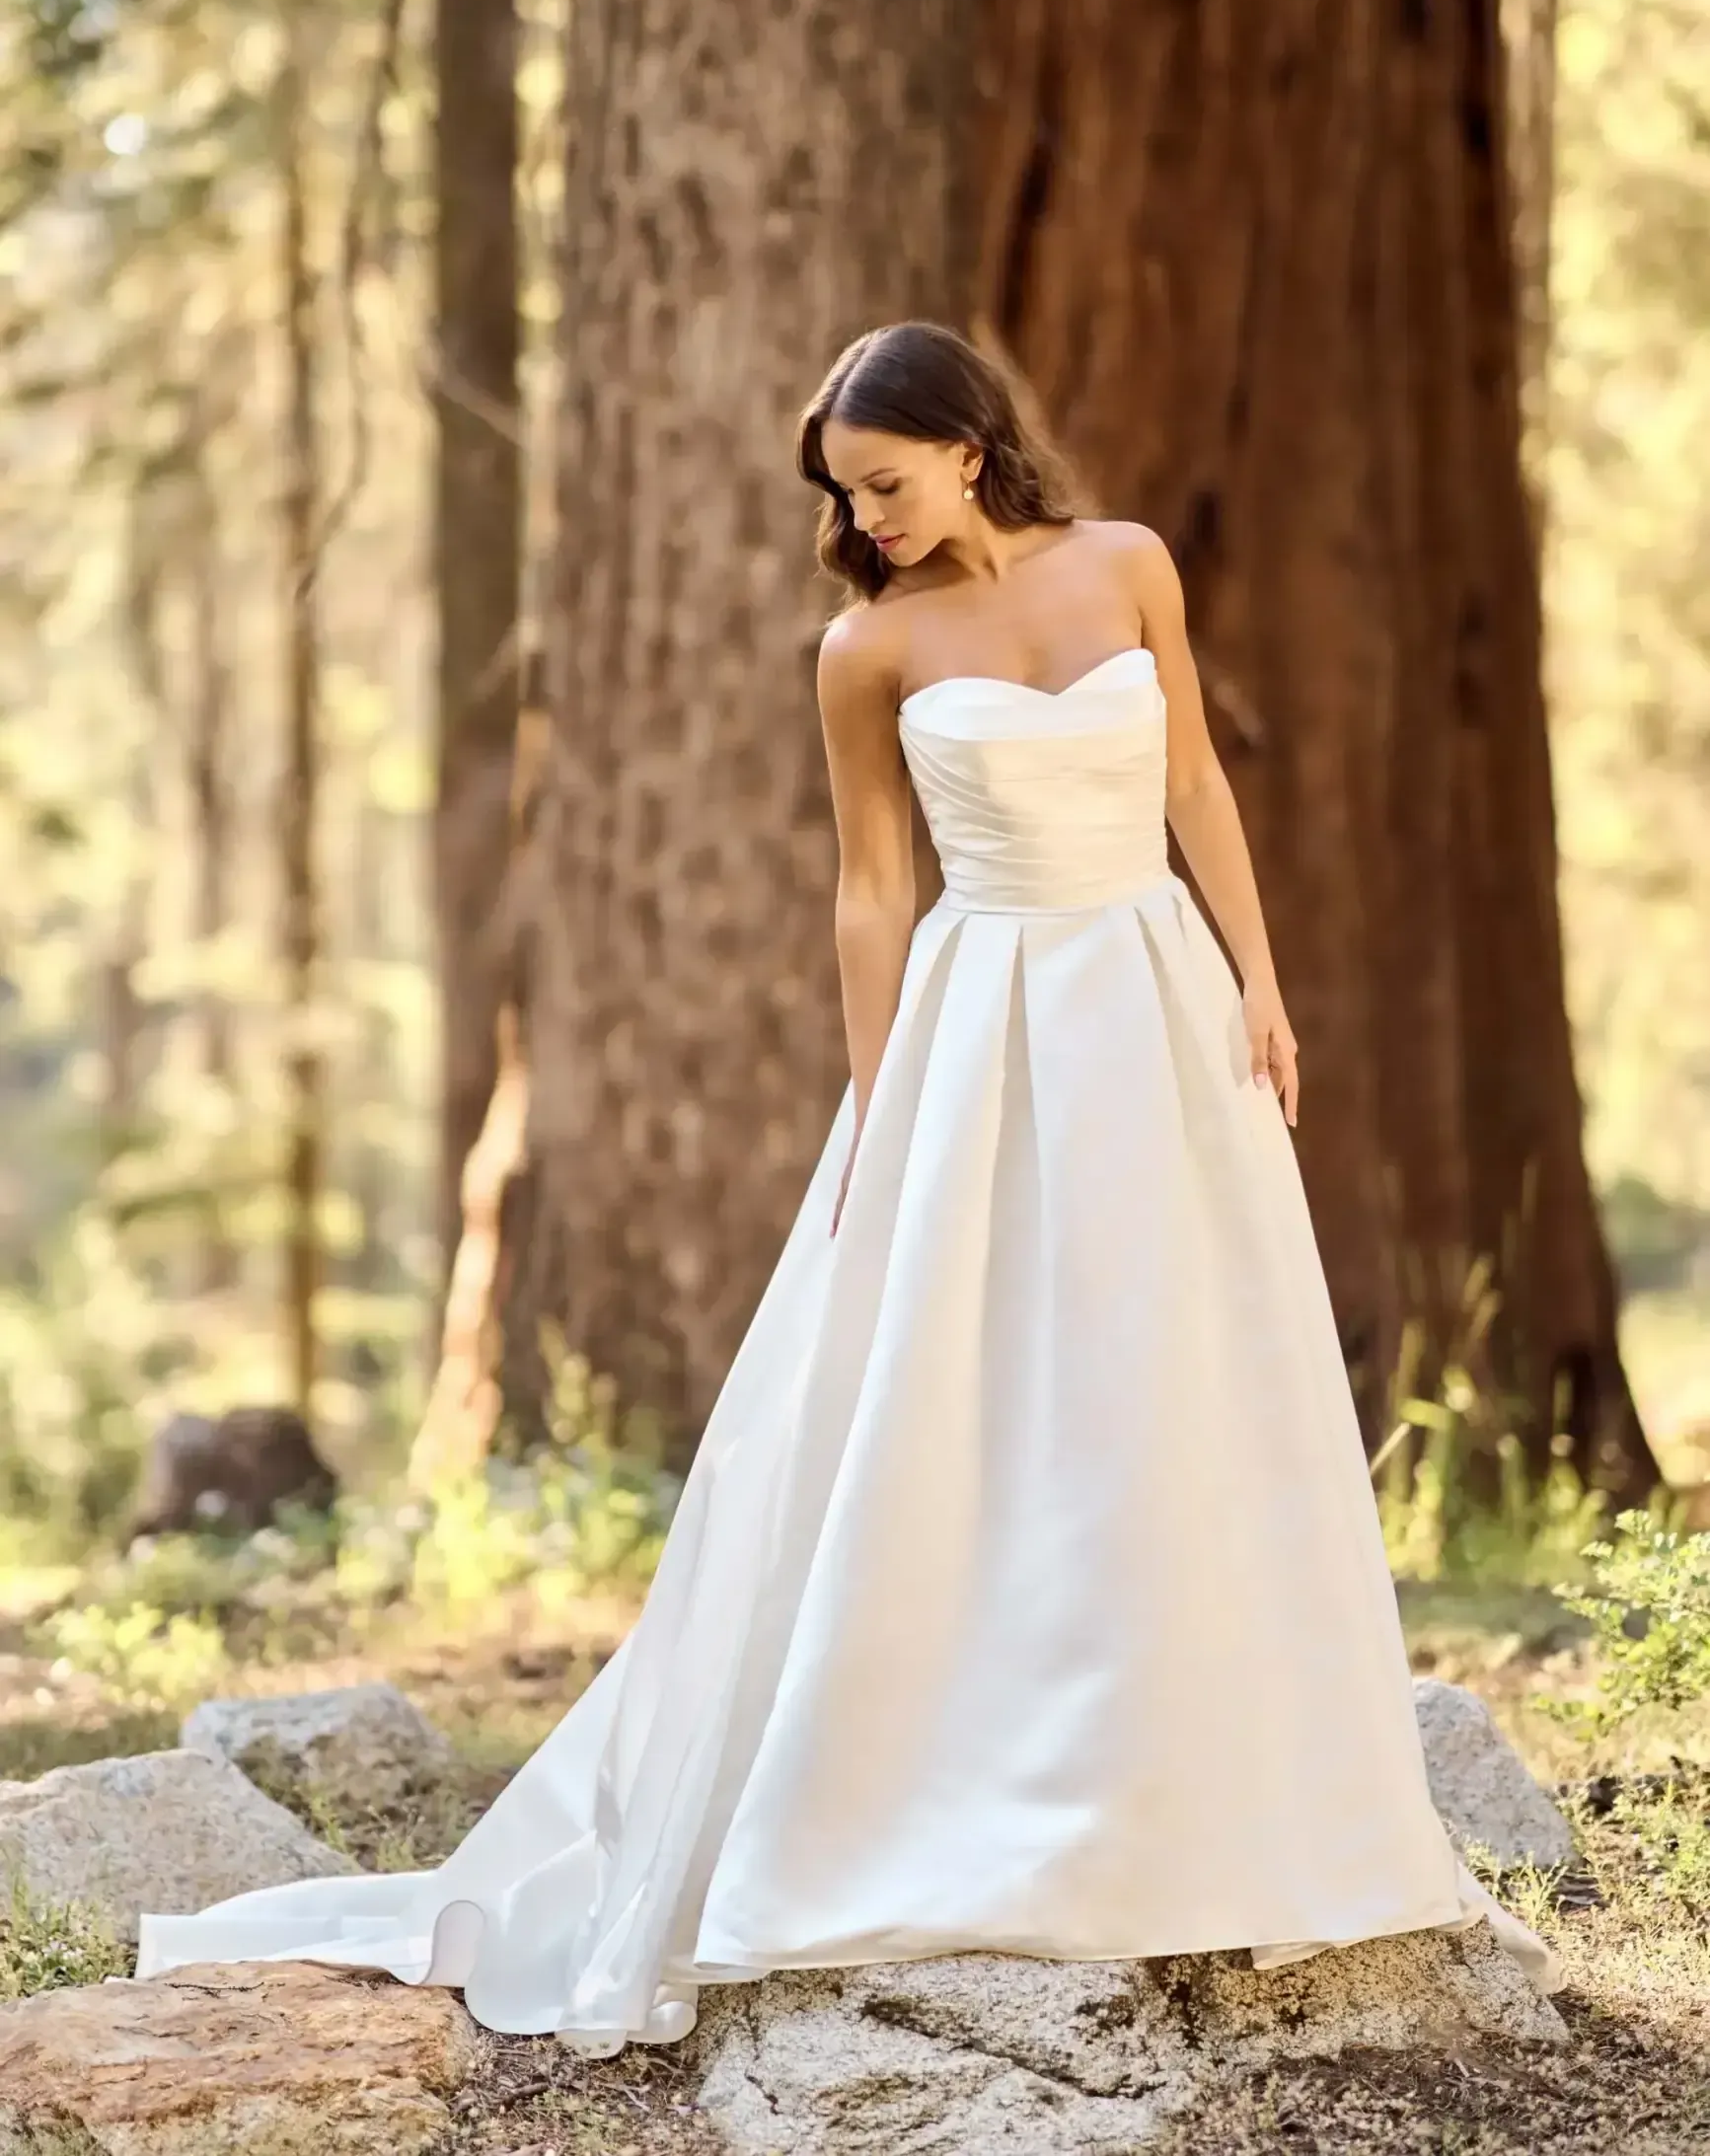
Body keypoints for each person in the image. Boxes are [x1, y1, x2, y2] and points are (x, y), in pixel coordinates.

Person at [137, 321, 1563, 2047]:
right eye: (844, 496)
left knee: (1180, 1363)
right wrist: (886, 1103)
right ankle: (961, 1773)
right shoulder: (865, 649)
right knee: (966, 1383)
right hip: (984, 1024)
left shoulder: (1127, 566)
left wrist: (1259, 982)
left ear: (970, 447)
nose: (866, 518)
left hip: (1158, 1002)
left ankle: (1215, 1779)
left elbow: (1191, 775)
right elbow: (870, 892)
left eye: (883, 483)